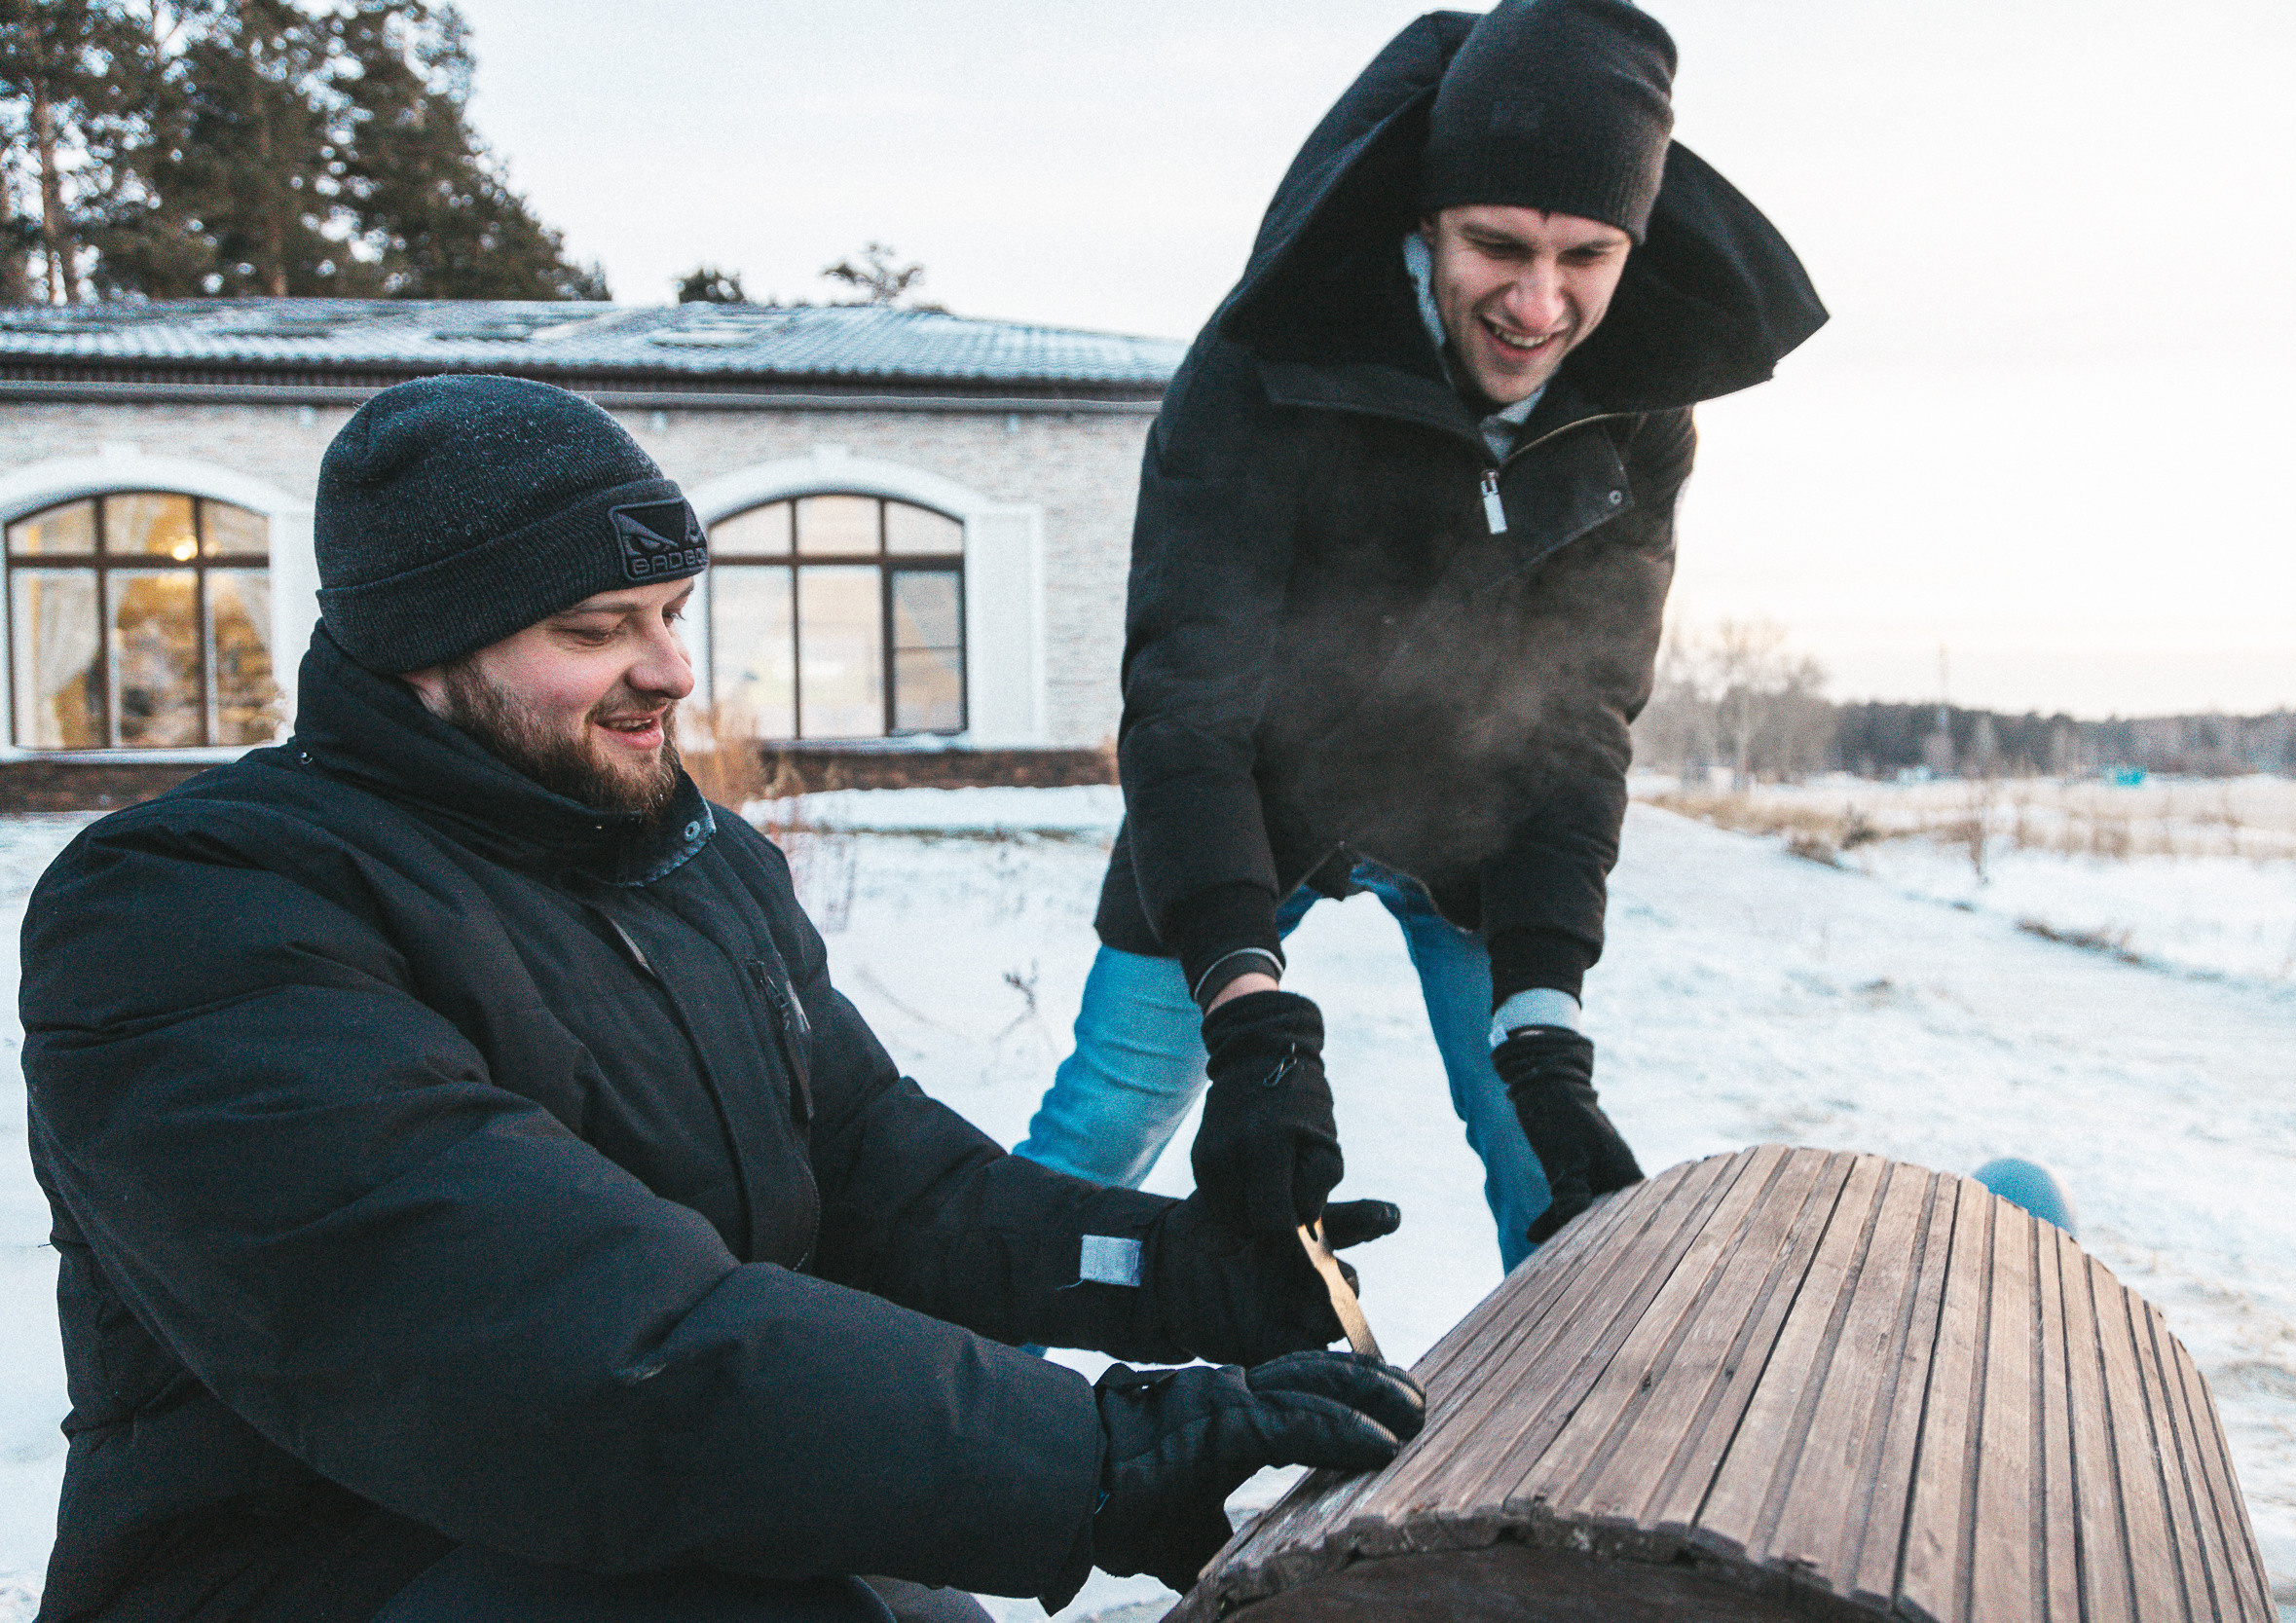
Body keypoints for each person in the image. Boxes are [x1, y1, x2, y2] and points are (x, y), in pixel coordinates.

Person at [19, 376, 1424, 1623]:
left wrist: (1178, 1274)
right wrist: (1101, 1455)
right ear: (421, 652)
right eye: (597, 627)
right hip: (330, 1569)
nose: (672, 670)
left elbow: (891, 1185)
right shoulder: (194, 912)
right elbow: (562, 1341)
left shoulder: (692, 865)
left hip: (628, 1531)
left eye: (673, 615)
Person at [1014, 0, 1827, 1270]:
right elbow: (1187, 704)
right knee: (1107, 1115)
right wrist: (1245, 1013)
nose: (1538, 302)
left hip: (1476, 825)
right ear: (1423, 218)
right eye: (1495, 244)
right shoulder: (1257, 368)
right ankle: (941, 1372)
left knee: (1537, 1149)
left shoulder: (1639, 412)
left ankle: (1563, 1440)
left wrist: (1546, 1016)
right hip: (1247, 801)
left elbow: (1580, 712)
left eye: (1587, 257)